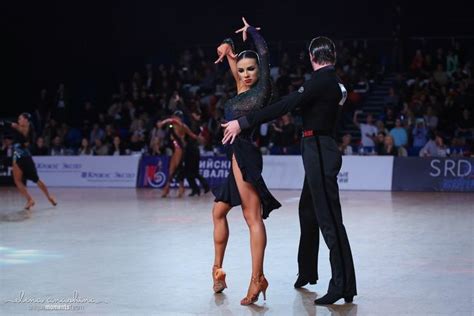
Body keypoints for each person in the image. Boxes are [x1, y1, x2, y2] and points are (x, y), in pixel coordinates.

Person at [222, 36, 357, 305]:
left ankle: (342, 286)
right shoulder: (336, 83)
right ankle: (307, 272)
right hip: (319, 146)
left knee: (329, 220)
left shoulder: (321, 82)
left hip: (318, 148)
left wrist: (243, 122)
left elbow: (284, 106)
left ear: (311, 56)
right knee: (308, 211)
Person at [211, 18, 281, 305]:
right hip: (233, 159)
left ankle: (258, 278)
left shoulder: (261, 90)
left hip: (244, 155)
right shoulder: (241, 87)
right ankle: (217, 272)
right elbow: (229, 53)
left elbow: (262, 52)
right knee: (218, 212)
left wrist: (251, 33)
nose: (246, 74)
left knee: (252, 218)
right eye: (242, 70)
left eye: (251, 69)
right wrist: (229, 42)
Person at [0, 113, 57, 211]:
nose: (18, 120)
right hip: (17, 154)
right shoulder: (21, 127)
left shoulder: (25, 128)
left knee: (35, 179)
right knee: (17, 180)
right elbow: (10, 125)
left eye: (20, 118)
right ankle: (30, 199)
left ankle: (48, 197)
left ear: (26, 120)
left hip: (24, 156)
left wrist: (4, 123)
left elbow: (11, 125)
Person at [158, 110, 201, 198]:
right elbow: (192, 135)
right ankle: (180, 187)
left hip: (180, 150)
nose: (173, 118)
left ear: (179, 117)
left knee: (175, 169)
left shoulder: (180, 124)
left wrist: (163, 122)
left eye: (174, 116)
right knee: (174, 170)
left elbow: (172, 121)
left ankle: (167, 189)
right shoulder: (176, 126)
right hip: (176, 150)